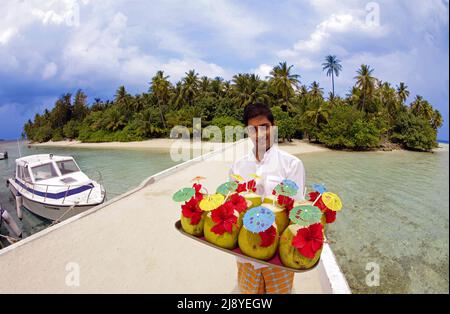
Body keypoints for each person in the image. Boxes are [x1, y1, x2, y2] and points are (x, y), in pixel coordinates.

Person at [230, 102, 306, 294]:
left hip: (278, 258)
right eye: (253, 129)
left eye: (264, 127)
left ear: (273, 126)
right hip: (246, 254)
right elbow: (234, 208)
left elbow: (296, 211)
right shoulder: (237, 167)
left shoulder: (292, 165)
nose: (260, 134)